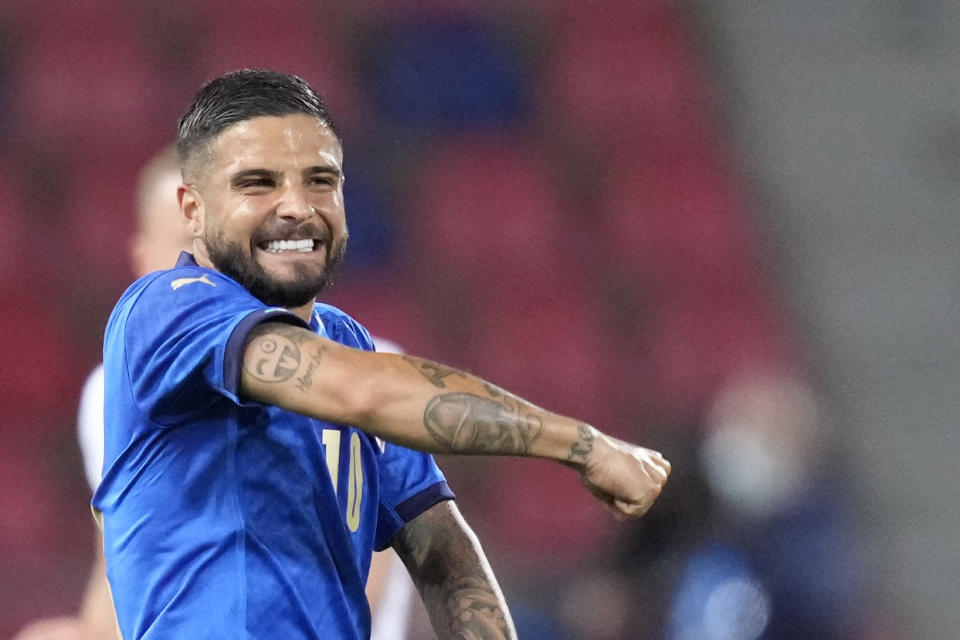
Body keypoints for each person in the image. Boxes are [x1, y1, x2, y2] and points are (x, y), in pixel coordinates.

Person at [94, 69, 670, 640]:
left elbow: (440, 543)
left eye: (320, 180)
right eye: (258, 183)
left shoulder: (349, 343)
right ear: (192, 209)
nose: (297, 206)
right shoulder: (165, 311)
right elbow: (363, 392)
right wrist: (582, 446)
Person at [15, 145, 421, 640]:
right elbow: (123, 577)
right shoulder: (109, 392)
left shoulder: (364, 371)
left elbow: (353, 579)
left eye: (219, 245)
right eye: (183, 247)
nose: (205, 269)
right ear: (142, 265)